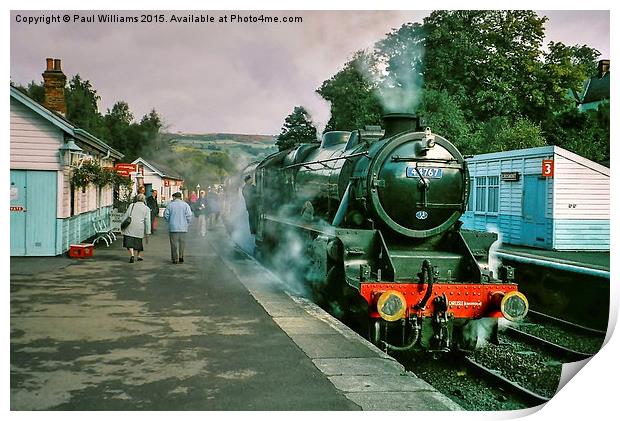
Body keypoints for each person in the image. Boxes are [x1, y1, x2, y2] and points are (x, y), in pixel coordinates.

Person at [164, 191, 193, 264]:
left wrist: (169, 221)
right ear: (181, 197)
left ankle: (175, 259)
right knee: (182, 243)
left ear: (174, 197)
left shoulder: (170, 205)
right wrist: (187, 223)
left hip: (173, 227)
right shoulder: (185, 205)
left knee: (174, 244)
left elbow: (166, 215)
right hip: (183, 228)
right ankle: (181, 257)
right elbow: (189, 215)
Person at [121, 193, 151, 263]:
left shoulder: (132, 205)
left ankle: (132, 255)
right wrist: (148, 232)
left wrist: (122, 225)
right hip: (139, 227)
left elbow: (126, 215)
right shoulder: (146, 208)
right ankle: (139, 256)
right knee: (138, 241)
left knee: (129, 240)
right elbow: (147, 221)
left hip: (130, 225)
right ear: (144, 200)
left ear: (137, 199)